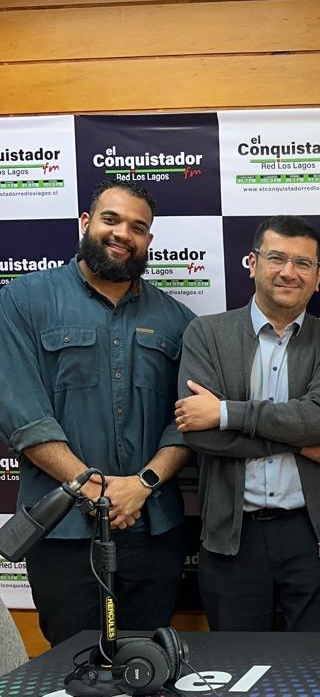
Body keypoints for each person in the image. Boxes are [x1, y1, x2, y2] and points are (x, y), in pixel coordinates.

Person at [0, 180, 192, 645]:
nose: (123, 233)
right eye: (111, 219)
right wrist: (94, 488)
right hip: (63, 530)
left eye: (138, 227)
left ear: (149, 239)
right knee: (72, 665)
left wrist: (141, 486)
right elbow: (22, 412)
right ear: (85, 223)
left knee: (149, 665)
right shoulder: (23, 301)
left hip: (151, 529)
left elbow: (185, 424)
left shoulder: (178, 319)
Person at [175, 215, 320, 632]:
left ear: (318, 277)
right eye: (276, 258)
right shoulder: (206, 334)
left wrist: (225, 413)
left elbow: (318, 422)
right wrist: (294, 444)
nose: (289, 272)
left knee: (315, 663)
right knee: (236, 662)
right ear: (252, 264)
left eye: (303, 263)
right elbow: (199, 433)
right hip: (232, 536)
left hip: (311, 536)